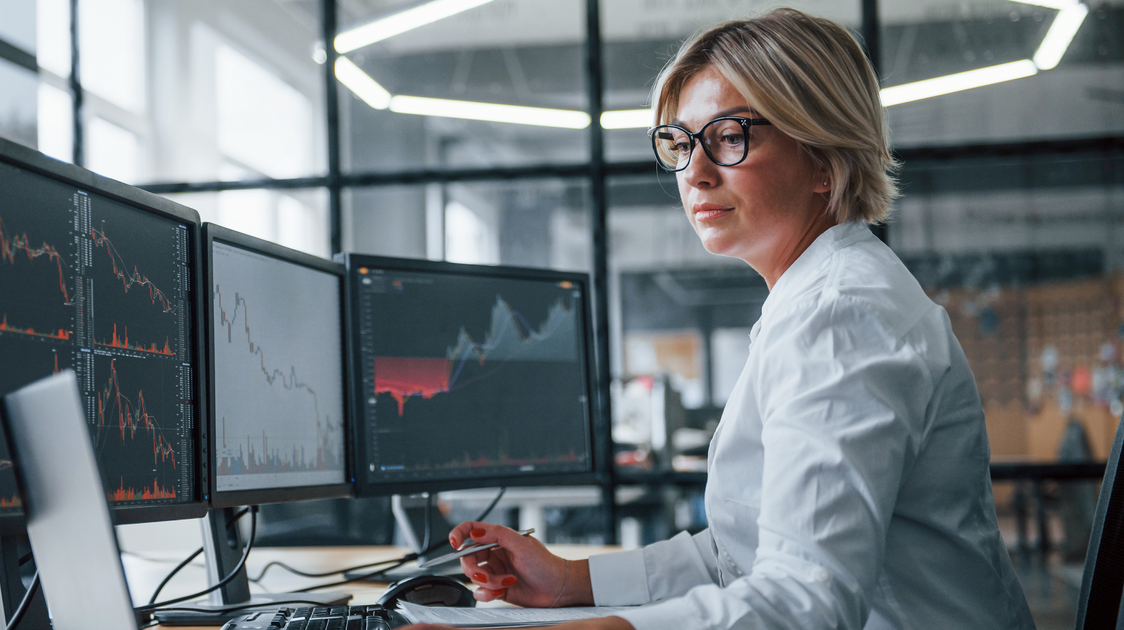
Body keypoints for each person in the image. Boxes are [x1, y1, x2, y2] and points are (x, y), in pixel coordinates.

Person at [404, 8, 1034, 630]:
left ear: (824, 157)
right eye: (680, 142)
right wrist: (573, 581)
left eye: (730, 137)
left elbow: (805, 602)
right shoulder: (814, 297)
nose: (695, 172)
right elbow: (742, 554)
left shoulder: (839, 315)